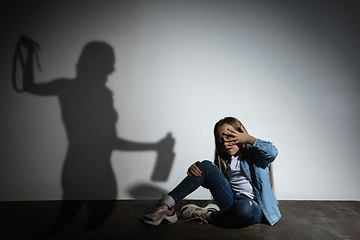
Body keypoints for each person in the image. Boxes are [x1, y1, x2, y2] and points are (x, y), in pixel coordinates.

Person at [143, 117, 281, 228]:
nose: (225, 143)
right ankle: (166, 206)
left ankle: (208, 215)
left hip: (254, 207)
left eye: (229, 136)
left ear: (240, 133)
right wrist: (197, 171)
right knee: (205, 166)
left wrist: (249, 138)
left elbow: (272, 152)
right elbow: (215, 183)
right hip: (232, 202)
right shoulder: (226, 162)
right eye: (221, 140)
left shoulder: (256, 156)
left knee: (245, 208)